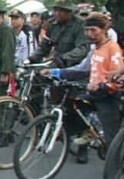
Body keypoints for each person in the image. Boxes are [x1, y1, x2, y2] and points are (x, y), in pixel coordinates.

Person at [43, 12, 123, 164]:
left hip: (109, 96)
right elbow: (82, 69)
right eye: (87, 30)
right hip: (93, 93)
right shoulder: (94, 49)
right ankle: (87, 131)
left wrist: (103, 85)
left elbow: (117, 76)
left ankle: (116, 178)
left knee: (113, 143)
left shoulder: (113, 48)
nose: (89, 34)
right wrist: (56, 72)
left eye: (94, 30)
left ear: (104, 29)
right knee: (72, 103)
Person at [28, 0, 88, 67]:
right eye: (55, 10)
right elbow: (45, 45)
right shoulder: (52, 24)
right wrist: (32, 58)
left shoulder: (79, 24)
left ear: (69, 12)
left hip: (75, 66)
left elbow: (81, 49)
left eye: (61, 10)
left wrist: (63, 58)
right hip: (57, 64)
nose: (57, 13)